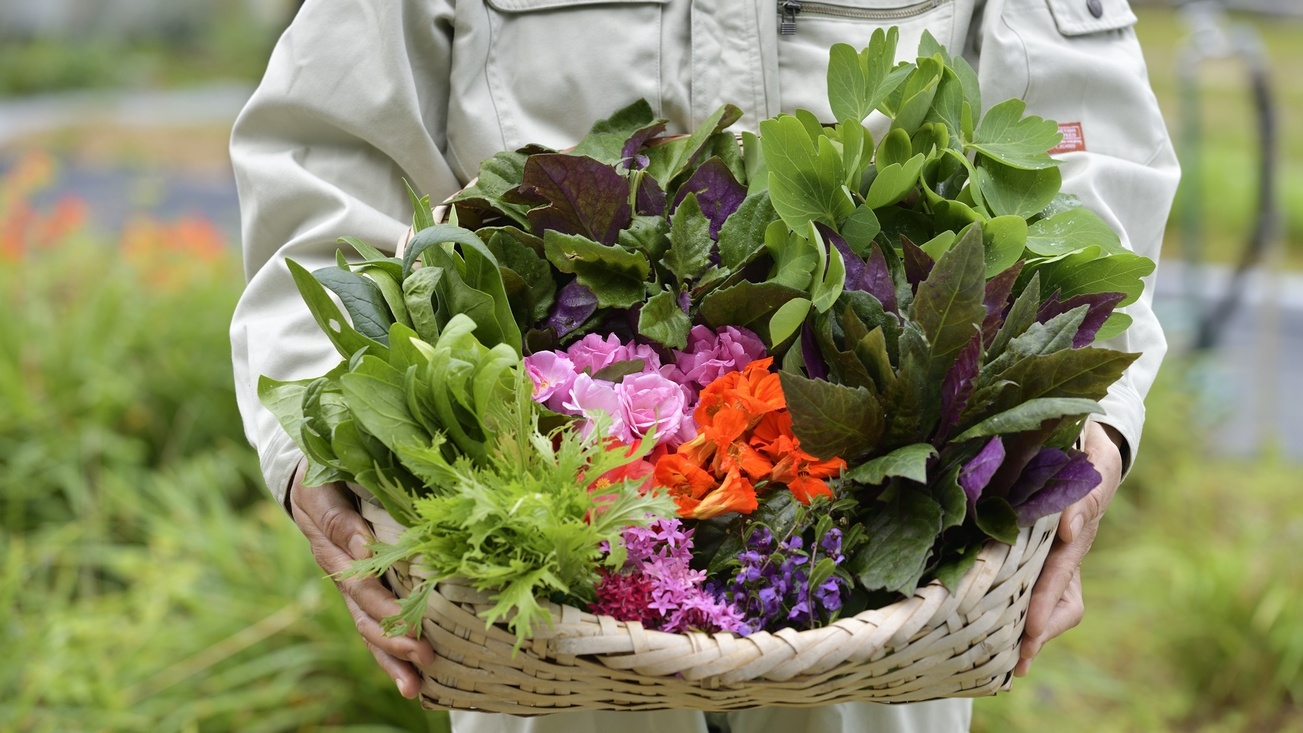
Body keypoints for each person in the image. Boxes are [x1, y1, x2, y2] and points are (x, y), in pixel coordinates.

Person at [229, 0, 1177, 729]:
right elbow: (316, 162)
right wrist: (329, 460)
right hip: (548, 596)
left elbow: (1087, 170)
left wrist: (1082, 433)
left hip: (894, 594)